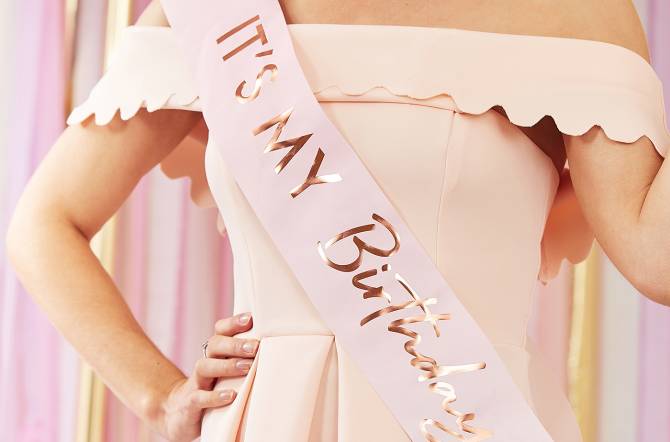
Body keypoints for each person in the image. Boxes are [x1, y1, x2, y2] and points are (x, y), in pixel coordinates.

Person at [6, 1, 670, 441]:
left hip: (468, 414)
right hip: (269, 420)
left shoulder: (574, 14)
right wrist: (161, 397)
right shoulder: (217, 16)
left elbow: (655, 260)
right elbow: (45, 223)